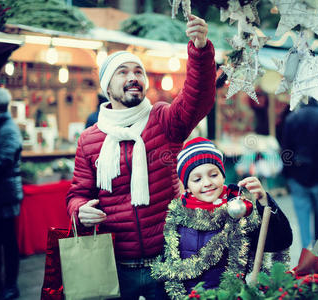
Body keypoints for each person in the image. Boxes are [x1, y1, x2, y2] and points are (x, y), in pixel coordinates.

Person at [66, 15, 216, 300]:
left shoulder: (162, 119)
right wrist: (80, 210)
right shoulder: (89, 140)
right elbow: (77, 194)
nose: (133, 77)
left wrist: (200, 49)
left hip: (170, 260)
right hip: (115, 268)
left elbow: (198, 98)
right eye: (122, 72)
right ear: (107, 87)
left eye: (138, 72)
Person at [151, 137, 293, 299]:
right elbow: (169, 269)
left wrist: (264, 201)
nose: (207, 183)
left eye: (213, 175)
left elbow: (279, 241)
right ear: (187, 185)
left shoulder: (240, 212)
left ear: (222, 175)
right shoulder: (176, 218)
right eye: (197, 179)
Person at [282, 97, 318, 249]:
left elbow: (285, 150)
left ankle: (305, 249)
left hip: (297, 174)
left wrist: (288, 173)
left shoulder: (291, 119)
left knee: (302, 215)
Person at [0, 88, 23, 300]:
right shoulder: (0, 126)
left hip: (6, 195)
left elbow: (4, 161)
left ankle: (11, 286)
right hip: (0, 194)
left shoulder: (8, 129)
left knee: (8, 243)